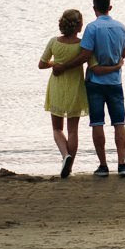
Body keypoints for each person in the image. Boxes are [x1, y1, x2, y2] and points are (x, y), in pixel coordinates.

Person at [78, 0, 125, 177]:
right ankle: (122, 163)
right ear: (110, 8)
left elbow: (86, 53)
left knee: (97, 123)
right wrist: (115, 63)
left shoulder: (92, 28)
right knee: (119, 122)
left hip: (95, 81)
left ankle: (102, 165)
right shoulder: (121, 27)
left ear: (94, 9)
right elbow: (123, 53)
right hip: (115, 81)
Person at [38, 9, 89, 179]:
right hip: (75, 88)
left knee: (57, 128)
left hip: (57, 87)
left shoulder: (54, 42)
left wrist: (55, 63)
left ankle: (64, 155)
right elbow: (91, 62)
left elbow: (42, 64)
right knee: (73, 130)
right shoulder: (82, 45)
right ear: (78, 25)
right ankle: (70, 164)